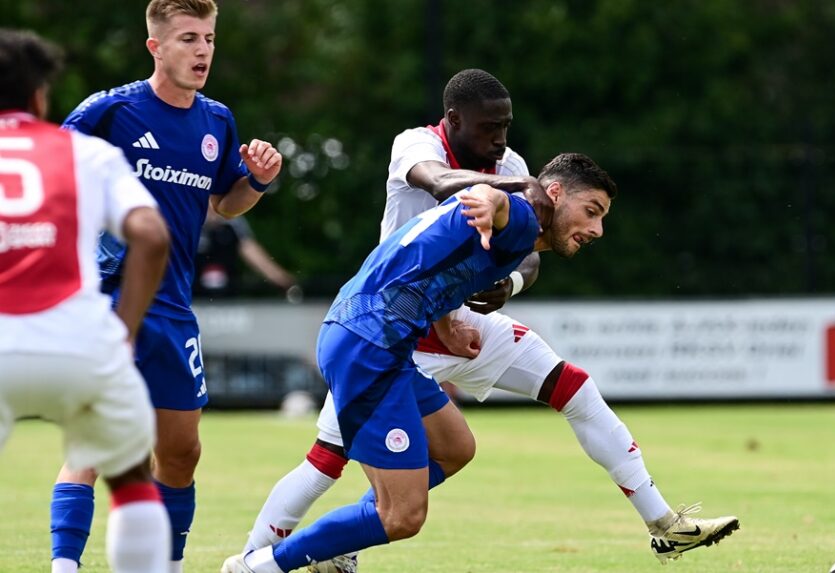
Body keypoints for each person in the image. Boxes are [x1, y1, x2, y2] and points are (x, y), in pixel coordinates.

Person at [238, 70, 739, 570]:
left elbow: (527, 252)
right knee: (343, 474)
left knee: (465, 443)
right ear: (454, 121)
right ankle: (253, 563)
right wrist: (501, 195)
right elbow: (462, 192)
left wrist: (505, 283)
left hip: (413, 325)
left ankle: (663, 522)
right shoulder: (428, 150)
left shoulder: (516, 175)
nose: (500, 140)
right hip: (379, 333)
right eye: (591, 212)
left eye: (506, 127)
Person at [221, 152, 615, 573]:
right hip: (368, 345)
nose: (597, 229)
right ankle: (257, 567)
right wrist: (486, 197)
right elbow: (495, 202)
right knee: (402, 517)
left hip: (374, 340)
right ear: (554, 194)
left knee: (454, 448)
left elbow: (438, 264)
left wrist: (447, 327)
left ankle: (335, 543)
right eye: (591, 212)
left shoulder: (516, 218)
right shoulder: (521, 218)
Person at [48, 2, 283, 572]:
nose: (202, 50)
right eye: (187, 38)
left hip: (174, 309)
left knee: (180, 452)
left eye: (208, 38)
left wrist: (257, 179)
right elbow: (49, 175)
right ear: (155, 46)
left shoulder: (216, 121)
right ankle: (64, 565)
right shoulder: (109, 111)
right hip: (108, 302)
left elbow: (223, 204)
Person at [0, 29, 172, 573]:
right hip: (79, 340)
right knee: (128, 475)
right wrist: (122, 329)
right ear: (39, 97)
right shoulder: (87, 152)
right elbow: (151, 235)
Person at [194, 204, 302, 302]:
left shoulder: (233, 222)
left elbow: (253, 253)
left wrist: (284, 281)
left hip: (227, 297)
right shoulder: (188, 220)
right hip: (189, 296)